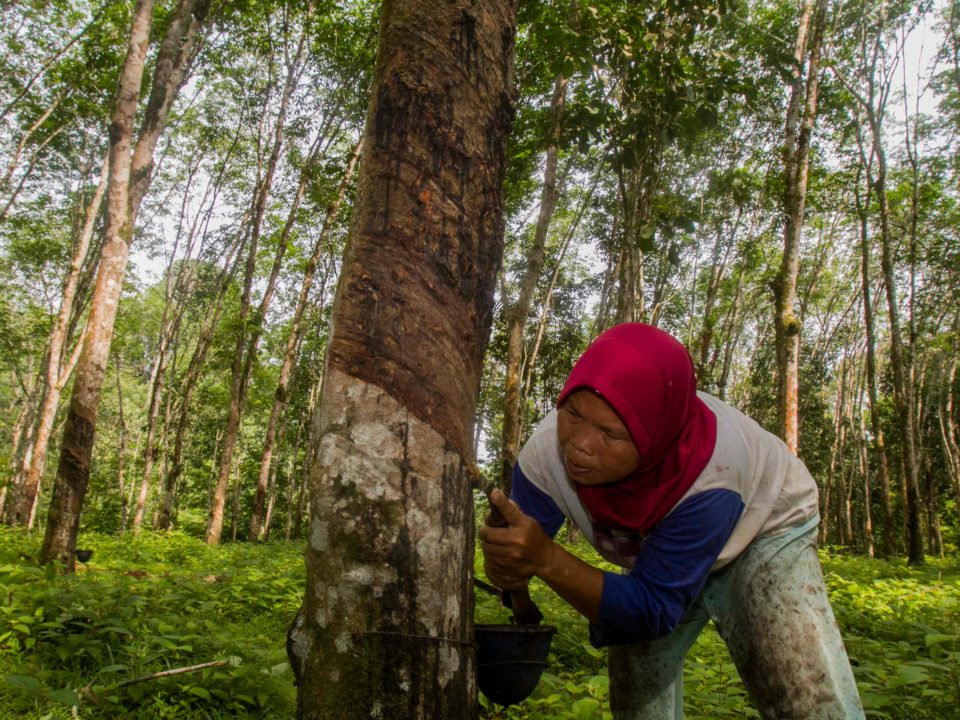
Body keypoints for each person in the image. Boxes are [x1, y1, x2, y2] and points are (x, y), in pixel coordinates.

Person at [479, 322, 864, 720]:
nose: (579, 444)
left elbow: (652, 608)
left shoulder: (712, 476)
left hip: (764, 527)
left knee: (804, 695)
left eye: (610, 434)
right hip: (658, 556)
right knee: (637, 695)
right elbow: (517, 553)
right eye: (573, 414)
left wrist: (546, 558)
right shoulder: (545, 456)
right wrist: (507, 560)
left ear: (655, 437)